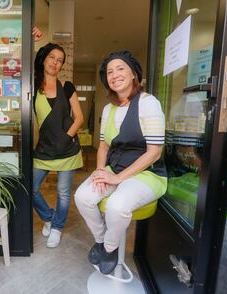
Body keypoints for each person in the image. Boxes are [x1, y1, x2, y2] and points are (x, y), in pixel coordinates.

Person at [74, 51, 167, 274]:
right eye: (109, 72)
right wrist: (99, 171)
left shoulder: (148, 103)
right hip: (114, 168)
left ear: (134, 74)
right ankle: (102, 239)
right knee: (83, 197)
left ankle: (109, 247)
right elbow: (104, 147)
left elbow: (154, 152)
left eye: (120, 68)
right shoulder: (108, 109)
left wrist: (117, 179)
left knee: (117, 206)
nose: (114, 75)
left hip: (147, 173)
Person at [32, 43, 84, 248]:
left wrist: (65, 138)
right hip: (44, 149)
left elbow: (79, 118)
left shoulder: (67, 87)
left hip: (67, 150)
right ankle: (49, 217)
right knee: (31, 188)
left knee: (63, 193)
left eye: (60, 60)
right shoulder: (34, 86)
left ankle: (57, 228)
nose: (55, 62)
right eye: (52, 57)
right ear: (44, 59)